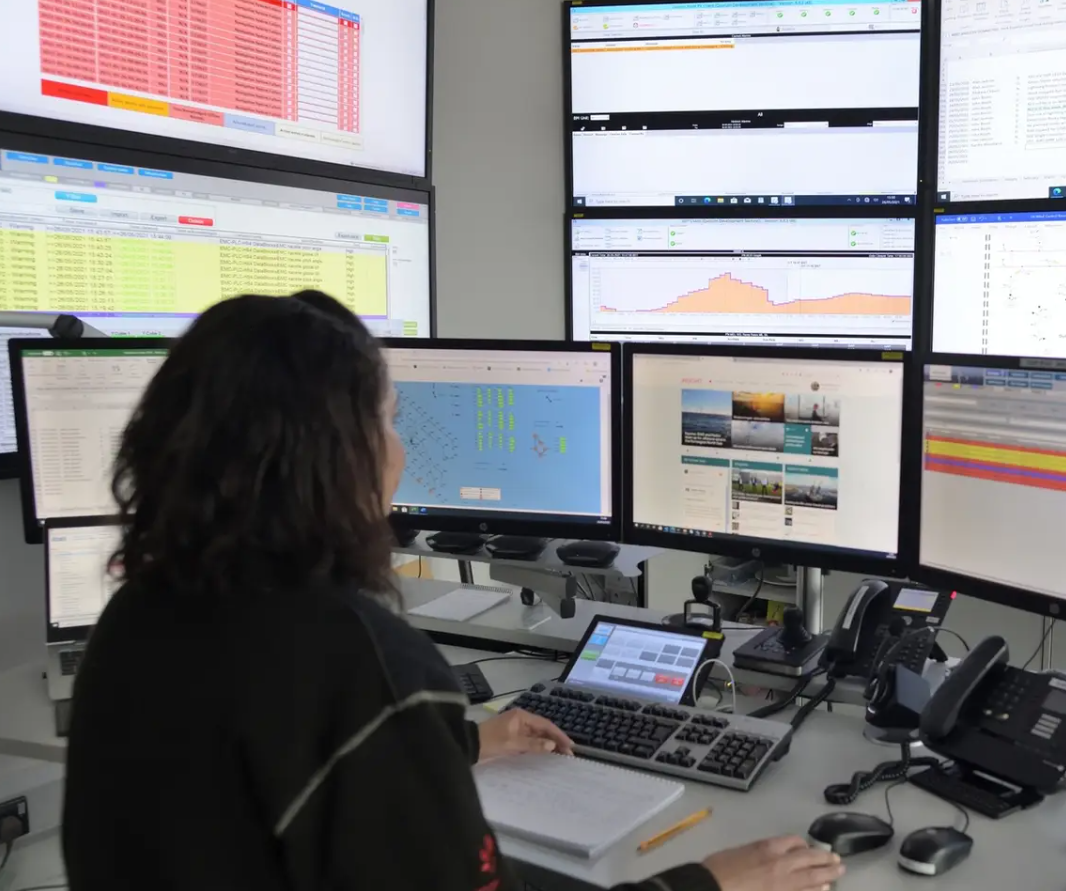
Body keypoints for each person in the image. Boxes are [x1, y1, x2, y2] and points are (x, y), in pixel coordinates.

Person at [62, 292, 846, 891]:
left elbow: (263, 776)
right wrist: (706, 881)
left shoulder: (139, 614)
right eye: (387, 420)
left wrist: (456, 744)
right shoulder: (365, 668)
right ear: (332, 458)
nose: (401, 453)